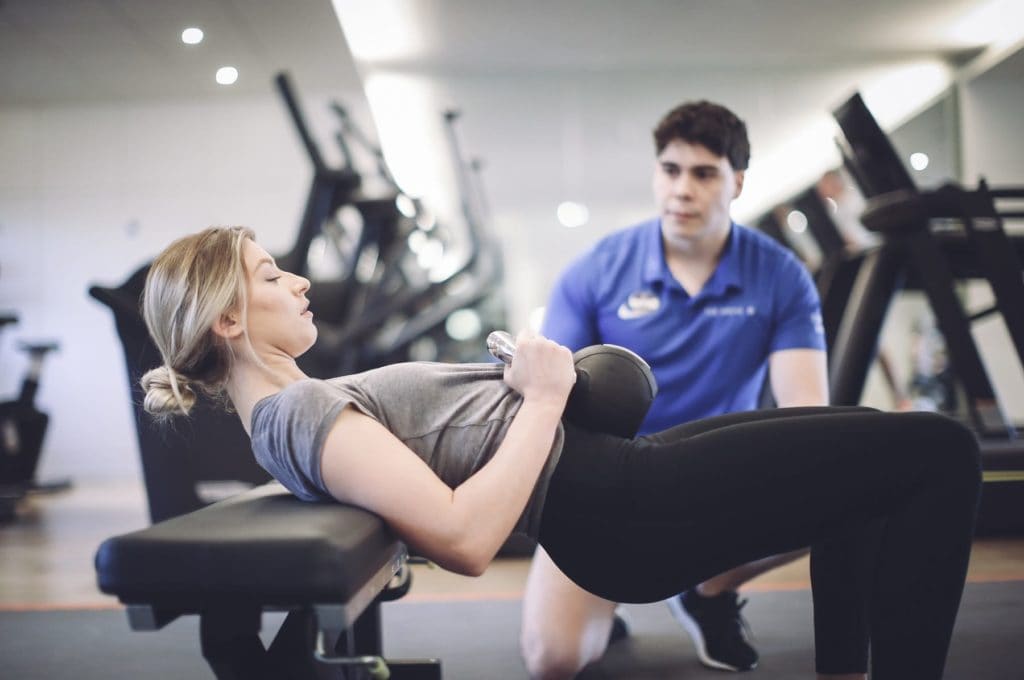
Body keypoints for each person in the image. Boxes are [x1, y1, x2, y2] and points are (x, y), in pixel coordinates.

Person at [140, 225, 980, 680]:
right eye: (273, 275)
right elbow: (466, 539)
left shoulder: (297, 406)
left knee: (864, 473)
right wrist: (542, 396)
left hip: (624, 481)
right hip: (624, 508)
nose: (301, 284)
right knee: (939, 451)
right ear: (227, 319)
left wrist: (533, 381)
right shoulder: (296, 416)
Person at [523, 100, 823, 676]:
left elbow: (808, 417)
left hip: (720, 473)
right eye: (671, 170)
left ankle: (707, 590)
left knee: (836, 482)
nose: (682, 189)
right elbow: (550, 406)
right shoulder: (596, 271)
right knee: (553, 662)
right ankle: (606, 593)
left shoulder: (780, 275)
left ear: (736, 182)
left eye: (704, 173)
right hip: (610, 484)